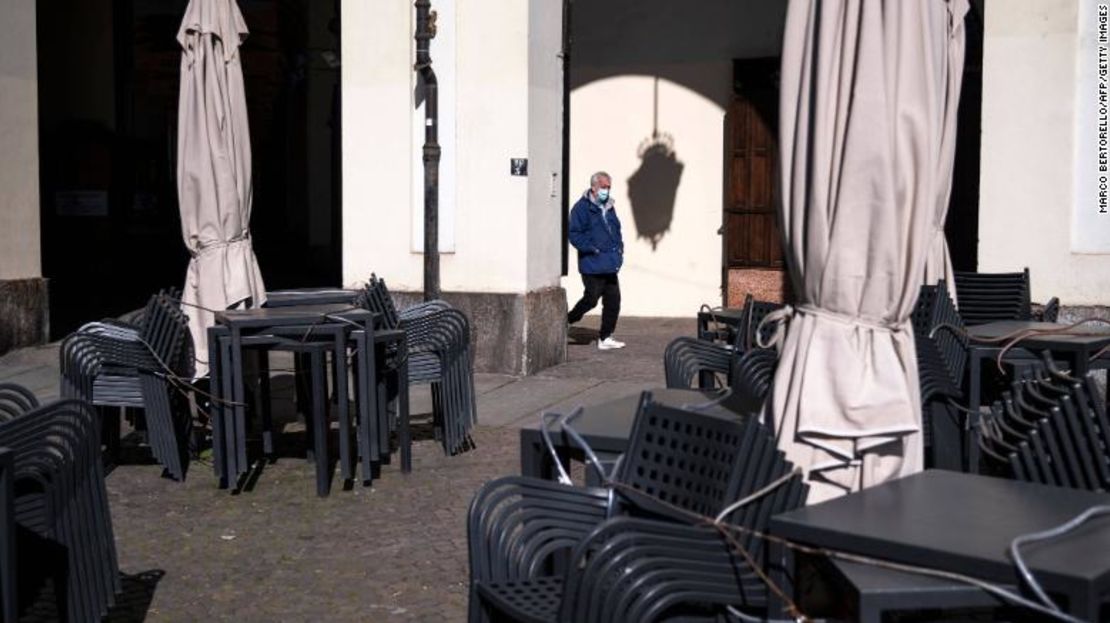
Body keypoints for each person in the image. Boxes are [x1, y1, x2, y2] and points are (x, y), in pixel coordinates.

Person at [567, 171, 626, 350]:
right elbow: (574, 234)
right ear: (594, 187)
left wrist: (620, 249)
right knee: (591, 298)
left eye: (608, 187)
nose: (606, 191)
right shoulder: (581, 208)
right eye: (603, 187)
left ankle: (606, 337)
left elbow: (616, 229)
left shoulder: (609, 207)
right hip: (592, 263)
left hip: (610, 263)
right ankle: (567, 320)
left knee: (613, 300)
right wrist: (592, 248)